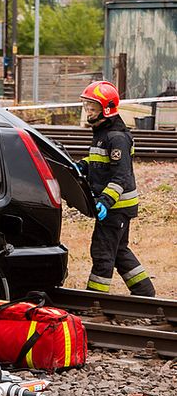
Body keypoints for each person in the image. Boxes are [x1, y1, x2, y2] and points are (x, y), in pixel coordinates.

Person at [77, 81, 156, 297]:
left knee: (103, 254)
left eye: (92, 108)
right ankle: (144, 292)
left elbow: (120, 176)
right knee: (120, 251)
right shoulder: (103, 133)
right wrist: (82, 166)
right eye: (86, 107)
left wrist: (105, 202)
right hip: (116, 206)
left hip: (116, 207)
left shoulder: (117, 137)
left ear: (106, 110)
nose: (88, 112)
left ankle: (95, 302)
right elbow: (99, 160)